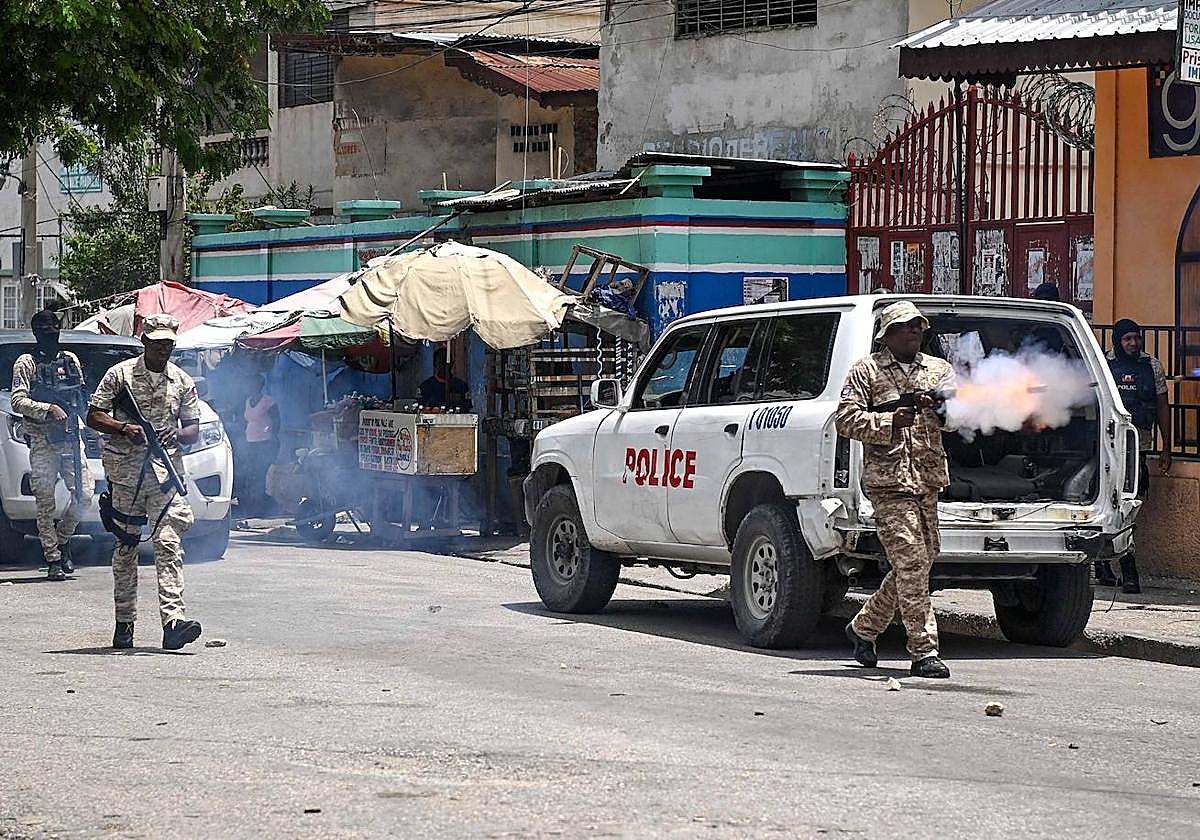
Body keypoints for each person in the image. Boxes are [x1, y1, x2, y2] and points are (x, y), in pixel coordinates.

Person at [837, 301, 956, 679]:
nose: (914, 332)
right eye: (905, 327)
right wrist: (889, 420)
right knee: (911, 562)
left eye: (918, 327)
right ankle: (924, 651)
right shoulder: (866, 371)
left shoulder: (939, 370)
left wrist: (940, 410)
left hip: (927, 479)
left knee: (924, 558)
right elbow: (845, 419)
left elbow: (957, 419)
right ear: (886, 334)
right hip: (889, 483)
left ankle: (864, 627)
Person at [87, 314, 203, 651]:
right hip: (125, 475)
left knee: (168, 542)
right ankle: (125, 622)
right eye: (158, 342)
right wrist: (124, 428)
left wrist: (175, 432)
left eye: (169, 342)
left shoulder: (182, 381)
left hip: (164, 475)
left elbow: (192, 429)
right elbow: (94, 414)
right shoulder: (120, 375)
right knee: (126, 548)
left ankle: (173, 623)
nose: (164, 348)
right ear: (145, 341)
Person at [10, 309, 94, 581]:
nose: (53, 335)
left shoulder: (70, 360)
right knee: (45, 503)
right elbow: (18, 401)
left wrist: (98, 431)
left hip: (70, 439)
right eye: (46, 331)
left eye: (56, 329)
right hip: (43, 441)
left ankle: (63, 539)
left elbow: (80, 398)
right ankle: (54, 558)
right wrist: (48, 408)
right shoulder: (27, 362)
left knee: (85, 495)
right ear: (36, 333)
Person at [1104, 318, 1171, 594]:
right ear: (1117, 341)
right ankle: (1111, 565)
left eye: (1137, 338)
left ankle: (1126, 567)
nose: (1133, 344)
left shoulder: (1151, 365)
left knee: (1131, 506)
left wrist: (1167, 446)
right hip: (1107, 449)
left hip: (1138, 448)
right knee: (1108, 505)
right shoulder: (1104, 364)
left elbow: (1163, 406)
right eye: (1127, 339)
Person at [241, 374, 280, 517]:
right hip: (251, 442)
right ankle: (254, 507)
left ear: (259, 385)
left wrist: (272, 437)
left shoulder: (268, 401)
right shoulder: (248, 401)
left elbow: (276, 421)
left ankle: (263, 509)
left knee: (261, 475)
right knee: (252, 476)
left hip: (265, 443)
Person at [418, 347, 472, 411]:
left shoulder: (461, 386)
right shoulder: (425, 386)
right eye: (441, 363)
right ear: (435, 364)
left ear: (452, 363)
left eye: (447, 364)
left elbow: (467, 408)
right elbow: (420, 408)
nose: (445, 366)